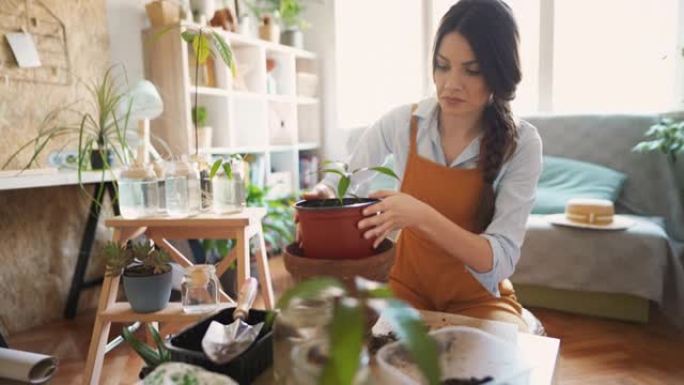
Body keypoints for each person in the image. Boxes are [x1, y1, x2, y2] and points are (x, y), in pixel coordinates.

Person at [302, 0, 542, 331]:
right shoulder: (403, 123)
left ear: (499, 75)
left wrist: (421, 216)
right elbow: (350, 175)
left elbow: (499, 261)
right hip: (403, 289)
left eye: (471, 70)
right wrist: (325, 191)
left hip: (479, 299)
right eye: (442, 66)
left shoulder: (522, 144)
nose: (451, 83)